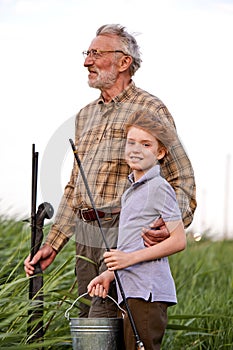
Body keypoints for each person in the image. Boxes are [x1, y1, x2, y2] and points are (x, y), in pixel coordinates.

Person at [24, 24, 196, 318]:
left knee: (107, 325)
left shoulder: (150, 108)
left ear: (124, 62)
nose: (86, 61)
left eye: (96, 53)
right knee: (90, 328)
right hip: (85, 237)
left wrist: (170, 225)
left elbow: (183, 178)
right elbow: (74, 186)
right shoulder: (85, 115)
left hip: (123, 235)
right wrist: (53, 243)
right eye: (87, 53)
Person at [87, 110, 187, 349]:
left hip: (147, 293)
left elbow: (179, 240)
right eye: (131, 142)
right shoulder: (132, 190)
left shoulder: (158, 187)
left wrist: (128, 258)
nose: (136, 149)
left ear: (160, 152)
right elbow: (133, 243)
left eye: (146, 144)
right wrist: (111, 274)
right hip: (130, 289)